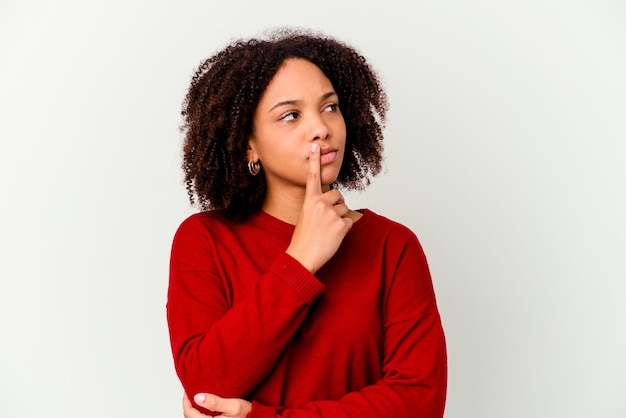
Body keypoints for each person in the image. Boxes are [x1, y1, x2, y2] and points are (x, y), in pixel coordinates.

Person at [167, 28, 447, 418]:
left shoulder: (391, 246)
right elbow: (206, 387)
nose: (321, 128)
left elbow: (419, 402)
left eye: (330, 107)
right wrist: (300, 261)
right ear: (249, 144)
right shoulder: (204, 240)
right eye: (291, 115)